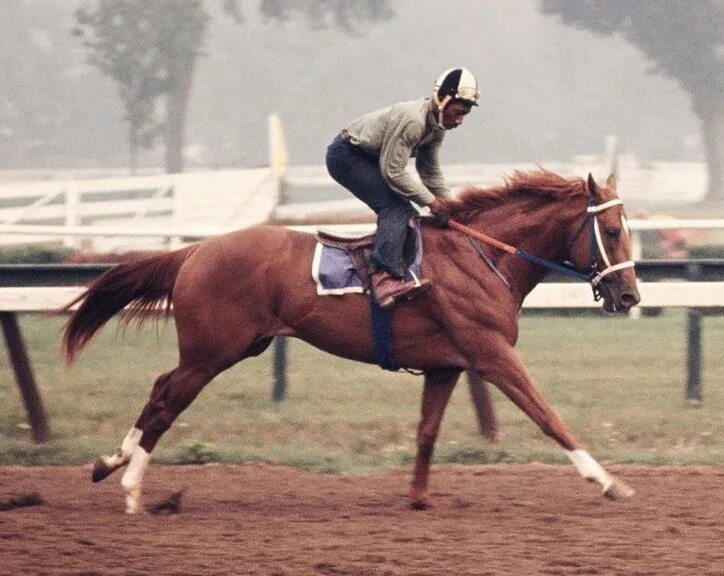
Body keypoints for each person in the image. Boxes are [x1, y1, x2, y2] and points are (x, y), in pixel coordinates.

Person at [326, 67, 479, 309]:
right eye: (458, 113)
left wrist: (453, 205)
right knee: (397, 207)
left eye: (465, 115)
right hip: (346, 156)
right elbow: (393, 172)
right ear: (443, 99)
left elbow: (429, 173)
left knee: (405, 207)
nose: (460, 121)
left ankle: (400, 270)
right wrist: (432, 202)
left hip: (368, 159)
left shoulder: (436, 127)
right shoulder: (413, 121)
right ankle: (384, 277)